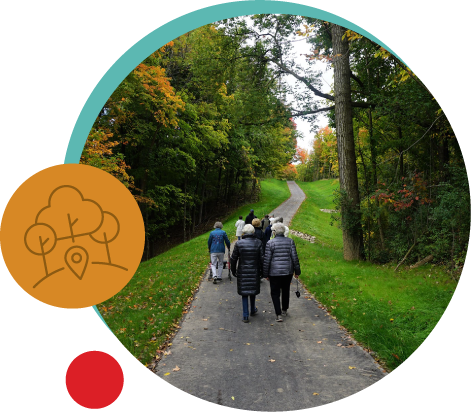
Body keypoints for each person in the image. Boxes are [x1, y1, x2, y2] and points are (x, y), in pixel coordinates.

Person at [263, 222, 301, 322]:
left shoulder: (270, 243)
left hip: (274, 272)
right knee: (285, 290)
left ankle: (278, 314)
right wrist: (297, 271)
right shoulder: (290, 241)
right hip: (287, 271)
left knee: (275, 292)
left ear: (274, 232)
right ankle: (284, 309)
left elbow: (267, 260)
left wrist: (265, 274)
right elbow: (294, 258)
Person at [230, 224, 264, 323]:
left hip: (243, 271)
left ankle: (245, 315)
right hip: (255, 270)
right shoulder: (258, 243)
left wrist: (233, 270)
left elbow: (233, 259)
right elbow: (262, 259)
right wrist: (263, 272)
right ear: (253, 232)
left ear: (243, 233)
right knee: (252, 290)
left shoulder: (239, 243)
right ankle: (252, 309)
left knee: (244, 292)